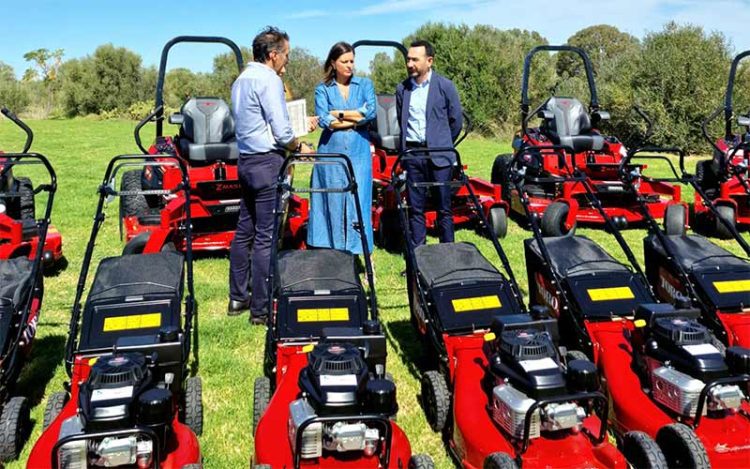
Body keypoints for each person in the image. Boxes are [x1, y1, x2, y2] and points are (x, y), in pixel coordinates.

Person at [228, 26, 314, 324]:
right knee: (266, 236)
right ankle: (261, 310)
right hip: (267, 163)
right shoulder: (268, 80)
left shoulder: (240, 80)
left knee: (244, 231)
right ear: (273, 54)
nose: (286, 62)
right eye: (286, 56)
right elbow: (281, 129)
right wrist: (299, 145)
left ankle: (238, 297)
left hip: (246, 161)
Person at [307, 42, 377, 261]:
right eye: (344, 61)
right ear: (333, 64)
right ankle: (333, 254)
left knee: (359, 200)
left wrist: (339, 114)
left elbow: (370, 113)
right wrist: (354, 117)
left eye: (352, 61)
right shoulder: (322, 89)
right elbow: (325, 121)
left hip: (359, 152)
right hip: (330, 153)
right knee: (332, 200)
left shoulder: (365, 84)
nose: (349, 66)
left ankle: (361, 252)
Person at [396, 40, 463, 249]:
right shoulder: (403, 89)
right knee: (416, 208)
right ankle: (419, 256)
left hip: (440, 154)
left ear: (429, 61)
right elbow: (402, 120)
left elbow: (456, 121)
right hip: (413, 155)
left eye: (415, 59)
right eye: (408, 59)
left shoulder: (445, 86)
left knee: (444, 208)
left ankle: (448, 254)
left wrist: (441, 142)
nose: (409, 64)